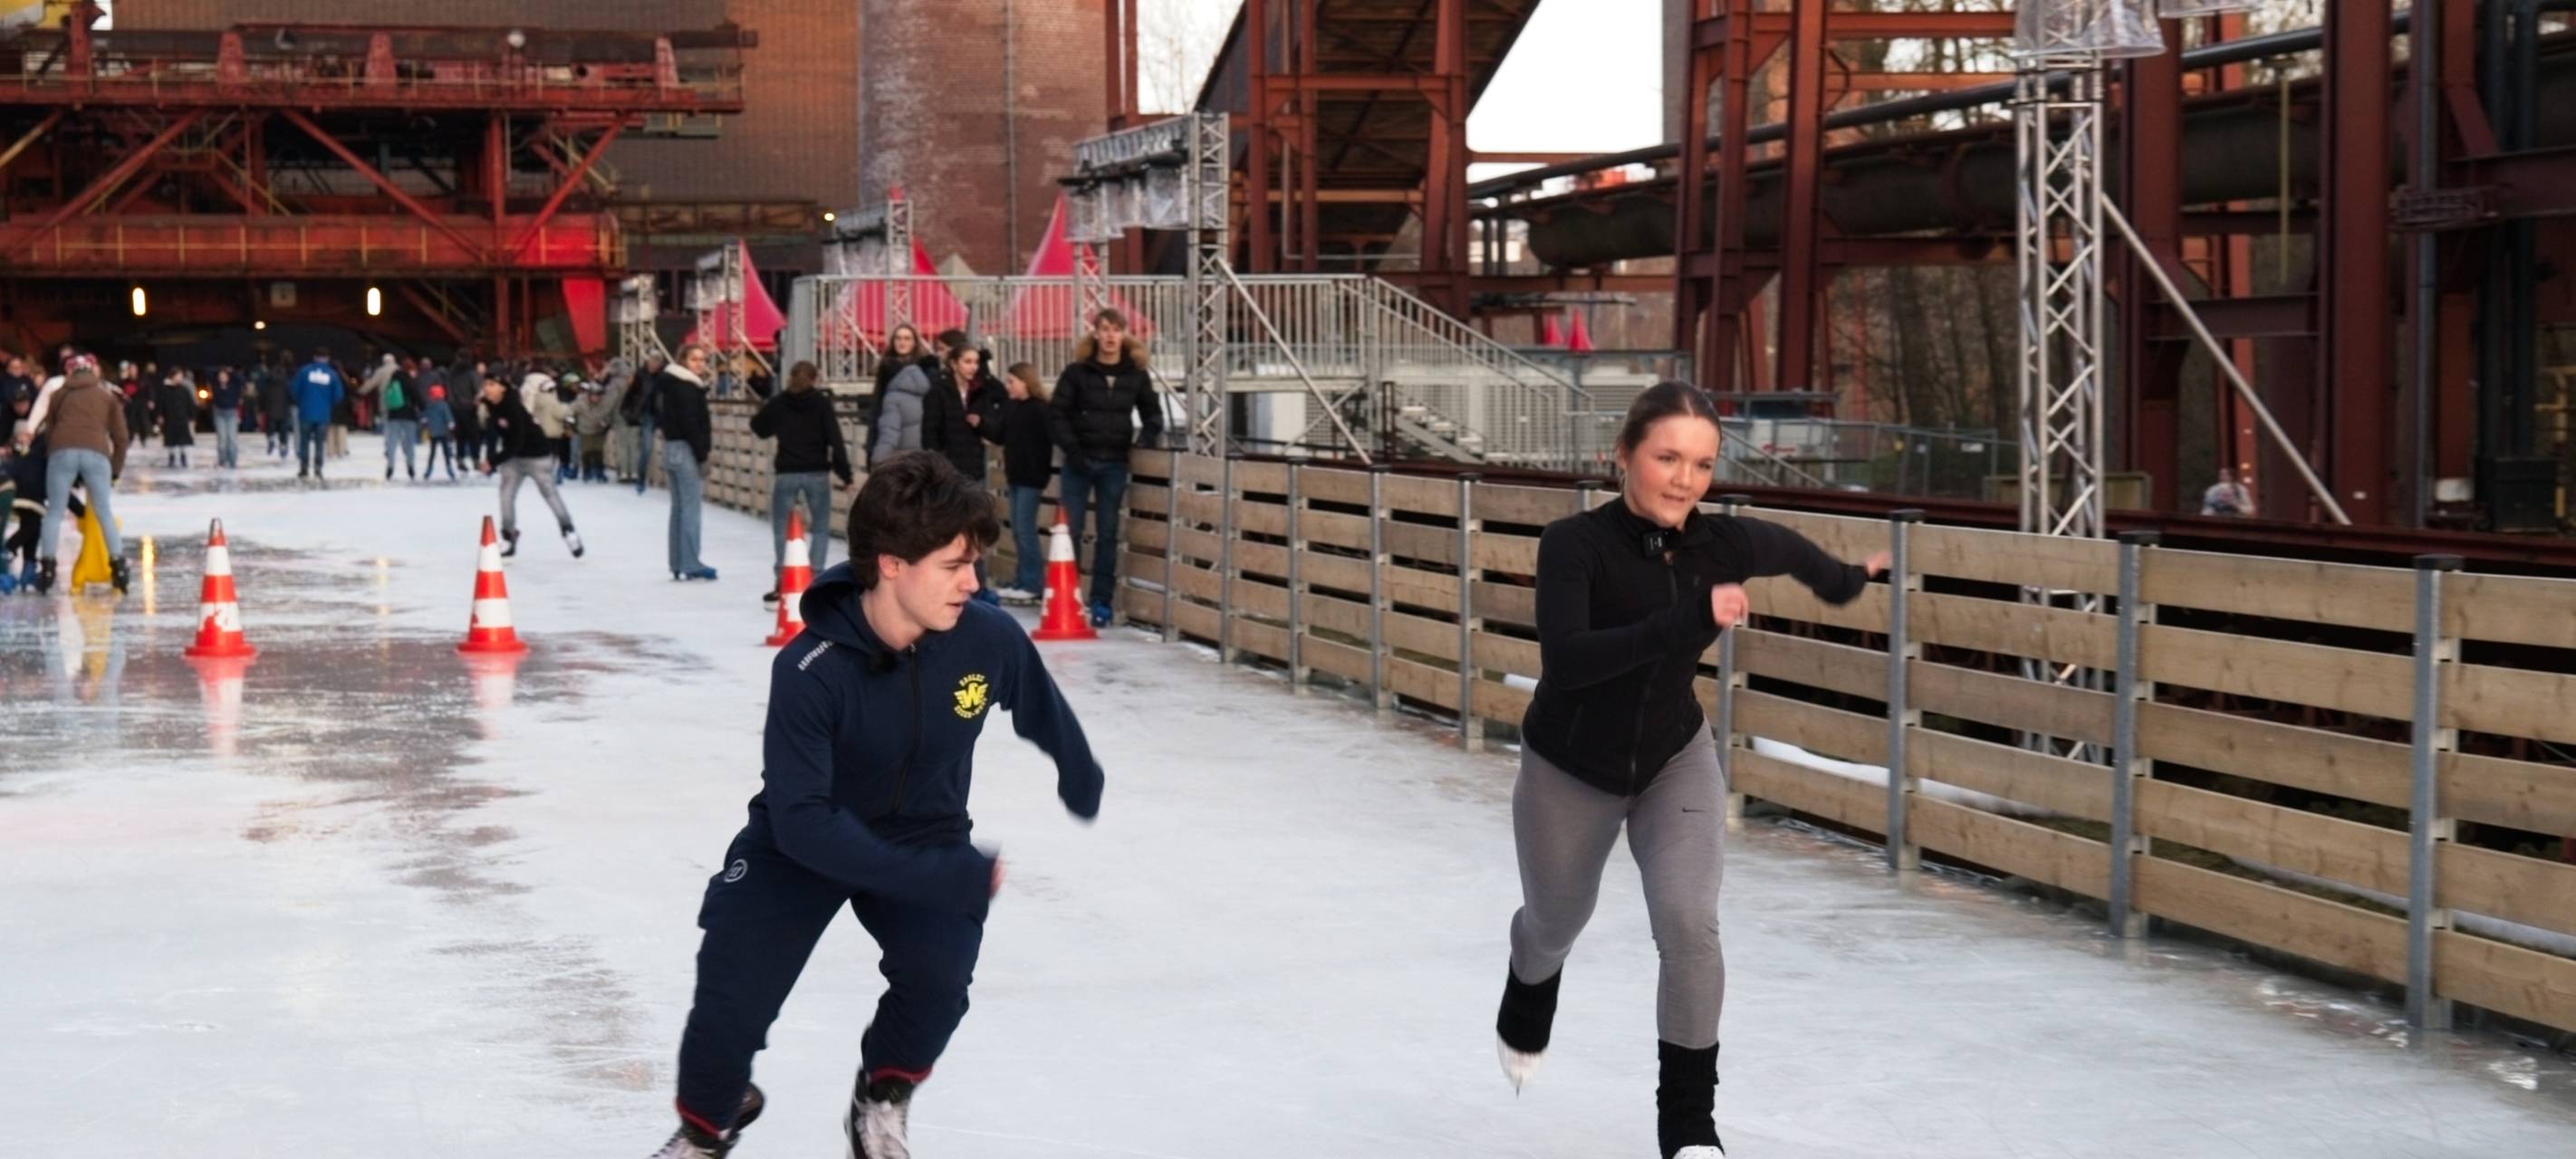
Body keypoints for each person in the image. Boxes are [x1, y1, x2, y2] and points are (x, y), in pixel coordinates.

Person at [642, 451, 1104, 1159]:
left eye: (973, 564)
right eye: (953, 565)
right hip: (800, 841)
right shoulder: (809, 672)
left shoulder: (985, 636)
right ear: (892, 564)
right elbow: (803, 824)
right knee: (730, 994)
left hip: (927, 828)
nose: (973, 582)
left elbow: (1039, 704)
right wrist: (943, 878)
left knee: (940, 976)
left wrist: (1079, 773)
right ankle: (708, 1123)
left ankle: (883, 1092)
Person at [1494, 382, 1889, 1159]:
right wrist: (1689, 618)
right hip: (1570, 767)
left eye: (1702, 464)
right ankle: (1528, 992)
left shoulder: (1722, 545)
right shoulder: (1574, 544)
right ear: (1623, 457)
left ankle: (1689, 1129)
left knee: (1688, 922)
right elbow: (1569, 663)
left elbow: (1792, 552)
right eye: (1666, 457)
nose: (1684, 479)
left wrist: (1845, 580)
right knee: (1553, 924)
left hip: (1676, 758)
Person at [1047, 309, 1162, 628]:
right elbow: (1057, 414)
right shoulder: (1077, 372)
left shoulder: (1136, 374)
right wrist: (1072, 449)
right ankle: (1068, 595)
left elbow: (1152, 413)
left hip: (1114, 462)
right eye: (1105, 329)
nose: (1111, 336)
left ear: (1124, 334)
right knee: (1070, 532)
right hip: (1078, 461)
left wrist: (1146, 439)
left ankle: (1101, 601)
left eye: (1117, 329)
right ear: (1095, 333)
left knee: (1108, 533)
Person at [749, 359, 854, 605]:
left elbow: (758, 427)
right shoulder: (821, 403)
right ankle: (814, 577)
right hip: (816, 472)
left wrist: (773, 413)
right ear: (815, 379)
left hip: (787, 472)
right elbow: (835, 440)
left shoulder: (780, 403)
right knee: (820, 526)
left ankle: (783, 579)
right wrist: (845, 475)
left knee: (781, 528)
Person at [29, 358, 130, 596]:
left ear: (70, 373)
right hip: (96, 453)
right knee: (104, 510)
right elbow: (122, 438)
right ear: (93, 371)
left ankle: (47, 569)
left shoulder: (59, 395)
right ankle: (118, 566)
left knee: (54, 511)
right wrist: (114, 470)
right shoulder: (106, 396)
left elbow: (50, 434)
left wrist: (59, 459)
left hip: (61, 453)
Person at [478, 373, 584, 559]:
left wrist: (493, 461)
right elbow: (495, 434)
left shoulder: (513, 408)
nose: (487, 388)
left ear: (502, 387)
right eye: (486, 384)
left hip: (537, 457)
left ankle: (569, 531)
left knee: (550, 494)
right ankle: (509, 536)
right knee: (506, 496)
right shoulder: (492, 406)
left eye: (492, 384)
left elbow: (517, 441)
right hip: (514, 459)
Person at [994, 363, 1056, 605]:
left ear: (1025, 382)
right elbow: (1001, 434)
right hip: (1016, 475)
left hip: (1031, 477)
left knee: (1025, 529)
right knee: (1019, 531)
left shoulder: (1040, 410)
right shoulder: (1013, 408)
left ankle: (1032, 582)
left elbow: (1050, 439)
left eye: (1011, 381)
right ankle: (1023, 579)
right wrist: (980, 423)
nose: (1008, 386)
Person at [658, 343, 718, 580]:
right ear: (683, 360)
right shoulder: (687, 387)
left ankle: (677, 561)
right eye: (694, 359)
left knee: (679, 509)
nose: (700, 364)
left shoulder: (669, 385)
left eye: (703, 360)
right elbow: (691, 423)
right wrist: (702, 455)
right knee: (690, 509)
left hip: (671, 447)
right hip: (686, 450)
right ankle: (691, 562)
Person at [867, 325, 932, 465]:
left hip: (919, 432)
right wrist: (871, 445)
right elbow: (878, 404)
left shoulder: (926, 368)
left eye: (907, 338)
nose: (902, 342)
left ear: (915, 342)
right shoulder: (887, 368)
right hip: (891, 428)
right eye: (898, 338)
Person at [291, 350, 345, 480]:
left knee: (304, 441)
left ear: (314, 357)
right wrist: (328, 404)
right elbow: (338, 395)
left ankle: (304, 468)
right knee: (320, 442)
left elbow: (294, 389)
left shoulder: (304, 371)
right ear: (328, 358)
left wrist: (301, 402)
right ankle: (318, 468)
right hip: (323, 414)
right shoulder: (332, 374)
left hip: (305, 413)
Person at [381, 357, 423, 481]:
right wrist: (422, 406)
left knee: (392, 442)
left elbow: (386, 396)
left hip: (393, 415)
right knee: (409, 442)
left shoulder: (393, 379)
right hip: (409, 415)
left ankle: (390, 466)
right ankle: (410, 466)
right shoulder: (410, 381)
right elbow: (417, 398)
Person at [573, 379, 617, 483]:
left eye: (598, 396)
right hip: (585, 429)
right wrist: (571, 423)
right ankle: (587, 471)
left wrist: (606, 422)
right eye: (593, 395)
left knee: (598, 451)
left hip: (599, 430)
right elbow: (571, 410)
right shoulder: (581, 402)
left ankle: (599, 471)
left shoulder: (605, 403)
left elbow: (609, 414)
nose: (596, 398)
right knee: (587, 451)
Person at [156, 367, 198, 468]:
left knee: (183, 439)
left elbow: (190, 404)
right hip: (170, 418)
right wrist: (160, 415)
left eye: (181, 376)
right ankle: (172, 456)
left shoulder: (184, 390)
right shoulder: (165, 389)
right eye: (178, 376)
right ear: (173, 376)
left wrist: (192, 416)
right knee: (171, 439)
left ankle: (183, 456)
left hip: (182, 418)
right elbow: (160, 403)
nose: (180, 378)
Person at [257, 356, 295, 460]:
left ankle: (271, 438)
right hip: (284, 409)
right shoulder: (286, 382)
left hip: (271, 409)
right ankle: (283, 445)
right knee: (283, 429)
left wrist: (261, 408)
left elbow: (262, 395)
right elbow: (291, 395)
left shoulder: (267, 382)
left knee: (271, 426)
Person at [208, 368, 246, 469]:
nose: (222, 377)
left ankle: (233, 461)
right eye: (220, 375)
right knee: (222, 439)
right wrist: (218, 371)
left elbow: (241, 379)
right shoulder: (215, 385)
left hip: (232, 414)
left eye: (224, 375)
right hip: (219, 414)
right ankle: (222, 461)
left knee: (232, 439)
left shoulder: (234, 385)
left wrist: (231, 371)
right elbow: (209, 373)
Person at [421, 383, 459, 482]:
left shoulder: (429, 405)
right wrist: (451, 423)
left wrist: (425, 422)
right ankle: (449, 468)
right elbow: (448, 416)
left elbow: (425, 415)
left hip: (433, 432)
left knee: (432, 452)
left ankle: (429, 469)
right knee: (446, 452)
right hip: (443, 432)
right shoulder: (443, 405)